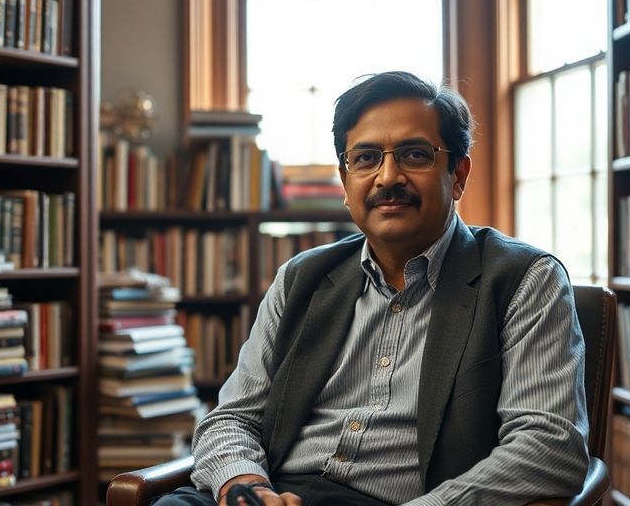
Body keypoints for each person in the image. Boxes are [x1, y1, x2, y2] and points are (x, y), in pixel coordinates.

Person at [155, 71, 589, 506]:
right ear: (345, 183)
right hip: (275, 492)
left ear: (458, 174)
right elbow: (231, 418)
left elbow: (548, 446)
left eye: (415, 155)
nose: (387, 178)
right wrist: (246, 488)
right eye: (365, 158)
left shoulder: (525, 280)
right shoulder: (300, 278)